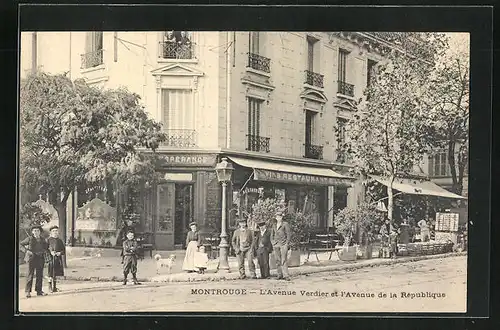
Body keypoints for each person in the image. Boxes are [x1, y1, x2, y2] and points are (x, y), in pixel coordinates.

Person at [19, 224, 49, 298]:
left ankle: (39, 291)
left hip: (40, 258)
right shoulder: (29, 239)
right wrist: (26, 251)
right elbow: (20, 245)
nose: (36, 232)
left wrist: (45, 254)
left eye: (38, 231)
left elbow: (46, 248)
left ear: (40, 232)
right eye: (34, 231)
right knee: (30, 275)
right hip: (32, 258)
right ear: (32, 232)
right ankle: (27, 292)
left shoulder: (43, 240)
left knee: (39, 275)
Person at [270, 211, 291, 281]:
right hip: (276, 245)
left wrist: (286, 243)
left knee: (284, 260)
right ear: (276, 218)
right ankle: (279, 274)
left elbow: (288, 235)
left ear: (282, 217)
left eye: (280, 217)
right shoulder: (274, 225)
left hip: (283, 244)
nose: (278, 218)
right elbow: (272, 235)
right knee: (277, 260)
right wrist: (273, 242)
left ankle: (286, 275)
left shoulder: (285, 224)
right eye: (277, 217)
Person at [47, 225, 65, 293]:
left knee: (55, 273)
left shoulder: (59, 240)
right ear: (51, 232)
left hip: (57, 259)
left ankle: (54, 287)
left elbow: (63, 250)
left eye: (56, 231)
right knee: (50, 273)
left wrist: (60, 253)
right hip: (50, 259)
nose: (55, 232)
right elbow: (45, 249)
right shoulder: (48, 240)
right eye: (53, 231)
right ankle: (49, 287)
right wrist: (50, 252)